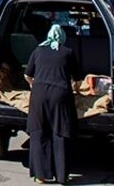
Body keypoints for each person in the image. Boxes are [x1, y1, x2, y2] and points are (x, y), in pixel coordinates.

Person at [25, 24, 79, 184]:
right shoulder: (68, 52)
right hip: (60, 95)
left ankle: (40, 176)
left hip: (39, 95)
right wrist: (75, 89)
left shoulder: (38, 51)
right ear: (62, 37)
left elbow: (27, 74)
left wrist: (33, 85)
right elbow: (76, 78)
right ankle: (62, 176)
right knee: (60, 132)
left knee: (38, 132)